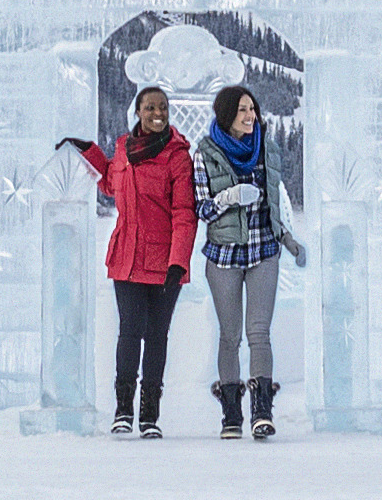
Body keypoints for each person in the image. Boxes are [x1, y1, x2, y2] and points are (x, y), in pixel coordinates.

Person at [60, 88, 198, 436]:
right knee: (129, 331)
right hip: (126, 256)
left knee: (156, 336)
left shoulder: (178, 156)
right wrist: (87, 150)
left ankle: (149, 415)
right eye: (150, 107)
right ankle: (123, 410)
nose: (157, 113)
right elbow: (110, 183)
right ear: (137, 111)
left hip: (165, 260)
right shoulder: (123, 149)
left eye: (163, 107)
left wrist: (178, 262)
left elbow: (185, 213)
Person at [189, 80, 305, 440]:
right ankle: (230, 415)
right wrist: (230, 197)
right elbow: (203, 210)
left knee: (259, 333)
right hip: (224, 255)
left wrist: (287, 238)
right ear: (226, 115)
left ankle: (262, 411)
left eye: (252, 108)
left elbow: (272, 203)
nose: (250, 115)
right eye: (242, 110)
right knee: (229, 336)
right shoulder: (205, 154)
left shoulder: (267, 149)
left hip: (263, 251)